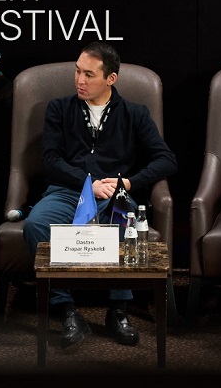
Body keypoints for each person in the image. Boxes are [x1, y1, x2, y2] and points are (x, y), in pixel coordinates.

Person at [22, 41, 177, 348]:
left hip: (112, 195)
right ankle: (66, 309)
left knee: (126, 223)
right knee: (35, 225)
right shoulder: (59, 109)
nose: (79, 80)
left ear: (110, 79)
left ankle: (118, 310)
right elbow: (50, 160)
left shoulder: (135, 113)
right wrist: (86, 183)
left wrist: (128, 183)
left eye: (89, 74)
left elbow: (166, 160)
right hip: (68, 191)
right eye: (77, 72)